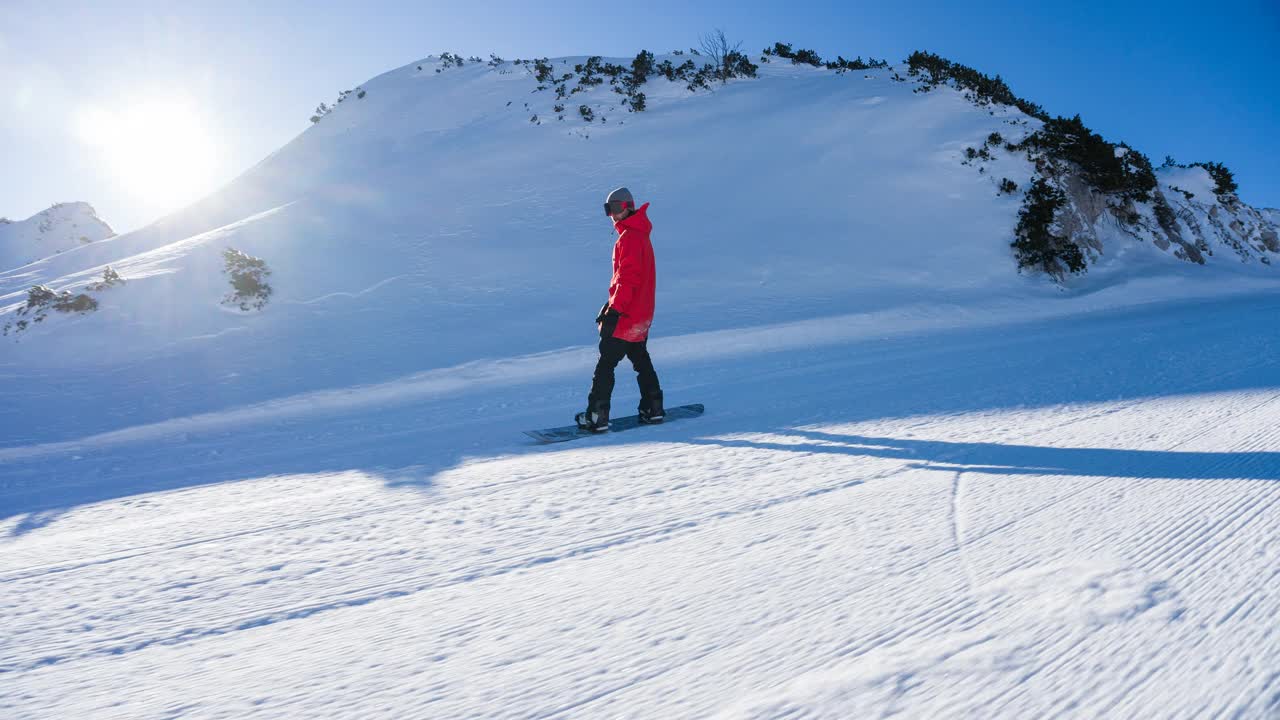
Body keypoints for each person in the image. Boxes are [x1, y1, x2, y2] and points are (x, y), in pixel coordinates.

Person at [575, 187, 664, 433]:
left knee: (606, 364)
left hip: (626, 315)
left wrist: (614, 310)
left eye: (615, 209)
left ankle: (596, 416)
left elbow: (627, 279)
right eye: (608, 210)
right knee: (640, 358)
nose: (612, 215)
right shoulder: (641, 235)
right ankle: (653, 408)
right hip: (641, 313)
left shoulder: (629, 238)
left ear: (628, 207)